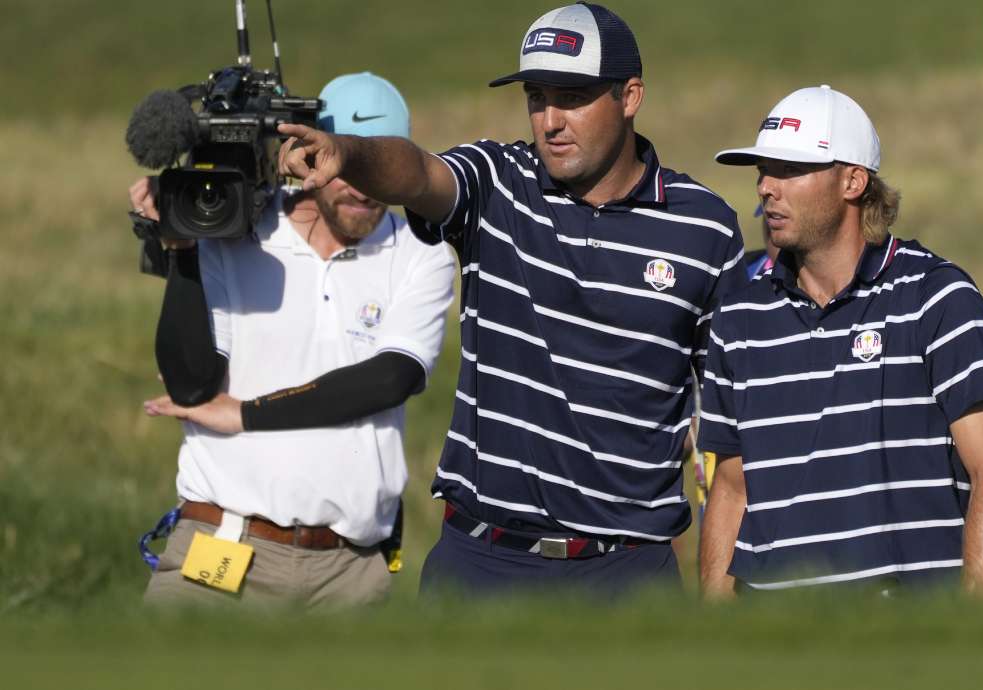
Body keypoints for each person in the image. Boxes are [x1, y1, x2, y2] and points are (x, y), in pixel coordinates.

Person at [278, 3, 747, 598]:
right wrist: (351, 155)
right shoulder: (495, 181)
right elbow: (418, 173)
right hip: (481, 564)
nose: (550, 120)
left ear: (630, 96)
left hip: (625, 576)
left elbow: (733, 431)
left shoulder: (704, 227)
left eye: (572, 96)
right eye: (536, 96)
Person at [133, 72, 455, 609]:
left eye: (372, 170)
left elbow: (390, 377)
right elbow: (191, 386)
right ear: (310, 155)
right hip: (223, 547)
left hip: (349, 573)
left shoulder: (421, 254)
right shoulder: (237, 231)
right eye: (343, 169)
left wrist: (246, 413)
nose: (359, 188)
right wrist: (181, 247)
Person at [698, 85, 983, 597]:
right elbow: (732, 490)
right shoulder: (739, 317)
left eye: (790, 170)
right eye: (764, 170)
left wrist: (968, 631)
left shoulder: (936, 297)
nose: (765, 187)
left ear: (853, 180)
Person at [736, 211, 983, 493]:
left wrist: (963, 536)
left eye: (791, 173)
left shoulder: (915, 297)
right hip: (746, 565)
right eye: (766, 175)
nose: (771, 192)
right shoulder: (730, 291)